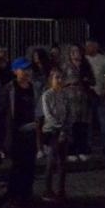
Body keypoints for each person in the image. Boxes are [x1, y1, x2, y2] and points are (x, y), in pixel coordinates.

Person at [2, 59, 41, 207]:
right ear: (15, 71)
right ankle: (13, 193)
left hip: (31, 130)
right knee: (17, 164)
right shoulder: (9, 89)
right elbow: (3, 110)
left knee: (30, 165)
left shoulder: (35, 88)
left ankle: (26, 194)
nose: (26, 73)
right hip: (15, 131)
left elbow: (38, 110)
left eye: (29, 70)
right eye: (23, 70)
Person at [40, 68, 70, 201]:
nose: (59, 80)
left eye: (61, 78)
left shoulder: (64, 95)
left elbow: (69, 112)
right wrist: (59, 127)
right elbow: (48, 115)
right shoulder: (46, 95)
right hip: (51, 130)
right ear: (51, 80)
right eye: (56, 78)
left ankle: (61, 189)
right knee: (51, 160)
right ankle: (47, 189)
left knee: (63, 161)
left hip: (63, 129)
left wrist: (65, 128)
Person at [61, 44, 92, 159]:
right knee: (71, 126)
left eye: (77, 51)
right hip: (70, 98)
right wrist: (69, 82)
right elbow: (59, 80)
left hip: (83, 98)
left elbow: (92, 79)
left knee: (83, 125)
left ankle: (82, 149)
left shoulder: (85, 65)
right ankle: (71, 151)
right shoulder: (65, 66)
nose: (75, 53)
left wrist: (87, 81)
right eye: (73, 51)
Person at [84, 39, 105, 154]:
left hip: (101, 94)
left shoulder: (104, 60)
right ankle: (88, 145)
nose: (88, 48)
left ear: (96, 46)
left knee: (103, 121)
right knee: (88, 121)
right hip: (88, 94)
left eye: (90, 46)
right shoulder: (84, 59)